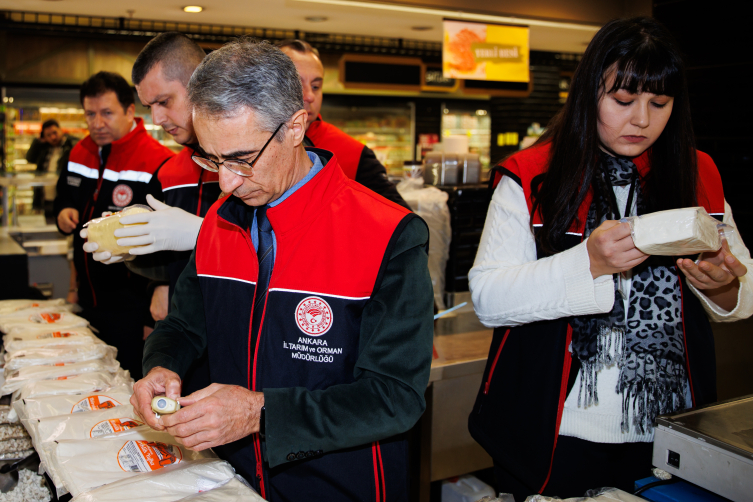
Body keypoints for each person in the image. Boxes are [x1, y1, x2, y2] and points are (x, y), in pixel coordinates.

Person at [130, 39, 434, 501]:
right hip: (233, 480)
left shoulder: (388, 234)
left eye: (241, 160)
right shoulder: (219, 221)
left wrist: (261, 413)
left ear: (295, 127)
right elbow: (185, 327)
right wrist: (160, 365)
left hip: (340, 484)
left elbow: (395, 397)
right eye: (211, 160)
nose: (227, 183)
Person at [467, 17, 753, 499]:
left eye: (658, 103)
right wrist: (589, 264)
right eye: (623, 101)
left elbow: (742, 290)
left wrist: (721, 285)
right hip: (552, 430)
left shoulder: (697, 172)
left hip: (668, 429)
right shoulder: (533, 176)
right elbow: (489, 297)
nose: (641, 119)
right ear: (588, 94)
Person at [54, 71, 174, 380]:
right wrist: (63, 212)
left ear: (130, 111)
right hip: (87, 299)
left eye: (107, 113)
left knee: (127, 387)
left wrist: (153, 317)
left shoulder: (158, 162)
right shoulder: (78, 152)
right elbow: (63, 198)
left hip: (131, 308)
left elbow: (167, 248)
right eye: (90, 114)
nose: (97, 123)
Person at [277, 39, 410, 210]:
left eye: (316, 86)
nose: (309, 96)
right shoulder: (244, 146)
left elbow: (401, 220)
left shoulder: (355, 155)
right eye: (297, 85)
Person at [26, 119, 78, 215]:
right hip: (46, 198)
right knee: (48, 226)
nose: (53, 137)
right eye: (48, 135)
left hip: (65, 198)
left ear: (60, 130)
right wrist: (38, 141)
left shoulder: (72, 145)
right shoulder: (43, 148)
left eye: (55, 132)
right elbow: (29, 158)